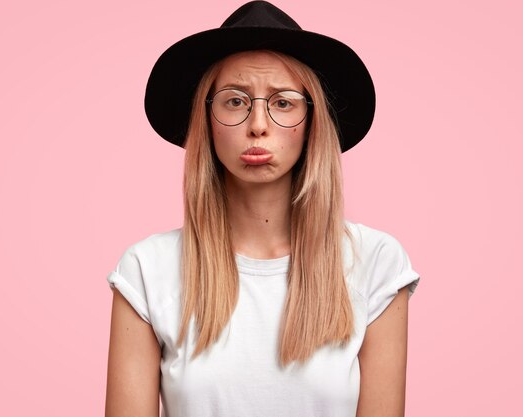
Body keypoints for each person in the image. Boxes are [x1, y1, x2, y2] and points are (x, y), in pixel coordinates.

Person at [105, 1, 421, 416]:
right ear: (207, 120)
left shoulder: (375, 264)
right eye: (234, 101)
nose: (258, 124)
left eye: (284, 102)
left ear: (312, 122)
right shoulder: (147, 270)